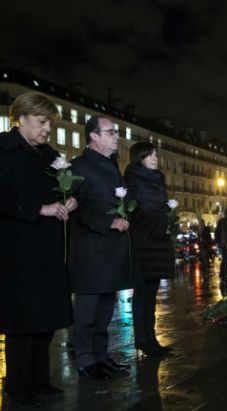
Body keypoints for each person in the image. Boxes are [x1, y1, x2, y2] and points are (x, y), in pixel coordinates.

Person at [0, 92, 77, 406]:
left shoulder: (51, 155)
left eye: (49, 122)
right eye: (42, 121)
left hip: (46, 248)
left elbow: (62, 190)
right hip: (15, 249)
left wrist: (68, 201)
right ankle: (20, 387)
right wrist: (40, 209)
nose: (48, 128)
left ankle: (41, 381)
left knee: (45, 318)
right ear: (21, 118)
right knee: (22, 320)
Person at [67, 116, 133, 378]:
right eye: (111, 132)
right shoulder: (77, 166)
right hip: (89, 249)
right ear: (94, 136)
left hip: (111, 248)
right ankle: (85, 359)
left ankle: (102, 355)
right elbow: (75, 208)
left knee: (107, 306)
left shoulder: (112, 166)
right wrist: (109, 221)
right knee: (87, 308)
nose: (116, 136)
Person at [124, 142, 176, 357]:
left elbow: (160, 207)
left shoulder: (158, 179)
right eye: (151, 155)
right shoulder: (132, 178)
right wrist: (153, 226)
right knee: (142, 292)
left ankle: (150, 338)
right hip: (142, 241)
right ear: (140, 157)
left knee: (151, 292)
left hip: (158, 241)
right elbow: (132, 210)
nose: (156, 158)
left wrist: (169, 218)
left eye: (156, 154)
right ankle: (143, 340)